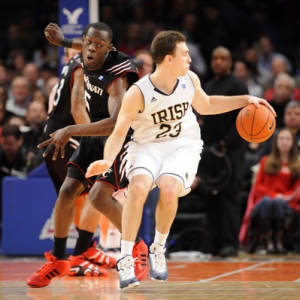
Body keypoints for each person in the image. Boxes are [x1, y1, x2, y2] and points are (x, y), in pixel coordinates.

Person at [85, 30, 275, 289]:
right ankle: (126, 256)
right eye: (184, 54)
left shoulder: (189, 79)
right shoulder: (137, 93)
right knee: (138, 187)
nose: (190, 59)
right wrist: (108, 161)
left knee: (169, 187)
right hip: (147, 145)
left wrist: (247, 100)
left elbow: (206, 104)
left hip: (182, 144)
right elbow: (119, 132)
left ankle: (158, 249)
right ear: (168, 59)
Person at [26, 22, 148, 288]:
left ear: (110, 48)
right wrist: (63, 42)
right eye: (88, 43)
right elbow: (88, 43)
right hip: (93, 135)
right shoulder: (86, 52)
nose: (91, 49)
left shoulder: (119, 74)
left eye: (99, 45)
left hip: (117, 139)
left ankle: (137, 247)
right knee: (67, 192)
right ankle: (59, 259)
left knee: (98, 198)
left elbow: (116, 122)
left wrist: (70, 129)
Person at [200, 46, 249, 257]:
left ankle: (230, 243)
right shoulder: (209, 85)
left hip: (231, 153)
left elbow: (244, 120)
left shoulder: (238, 85)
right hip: (211, 152)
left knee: (229, 198)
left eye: (223, 58)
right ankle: (216, 242)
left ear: (230, 62)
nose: (218, 61)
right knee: (211, 196)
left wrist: (225, 143)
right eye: (215, 58)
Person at [239, 127, 300, 253]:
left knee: (277, 203)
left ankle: (278, 240)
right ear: (276, 142)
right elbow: (258, 186)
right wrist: (274, 195)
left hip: (286, 202)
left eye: (288, 139)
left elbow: (297, 189)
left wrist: (283, 197)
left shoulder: (297, 164)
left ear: (292, 143)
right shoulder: (265, 161)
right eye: (281, 138)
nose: (284, 142)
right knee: (268, 202)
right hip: (265, 199)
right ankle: (269, 241)